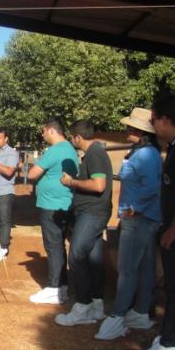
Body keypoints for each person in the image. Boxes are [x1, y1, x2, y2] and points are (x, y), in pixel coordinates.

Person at [129, 94, 175, 350]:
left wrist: (174, 228)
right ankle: (165, 342)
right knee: (172, 289)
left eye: (154, 120)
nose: (152, 126)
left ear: (165, 119)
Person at [96, 108, 162, 340]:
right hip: (141, 216)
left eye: (131, 128)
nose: (127, 130)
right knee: (143, 266)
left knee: (126, 268)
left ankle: (118, 314)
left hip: (138, 218)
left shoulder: (145, 155)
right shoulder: (143, 152)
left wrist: (134, 209)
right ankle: (141, 311)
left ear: (141, 132)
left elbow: (152, 188)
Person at [54, 120, 113, 326]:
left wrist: (71, 182)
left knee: (77, 255)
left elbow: (98, 185)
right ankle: (97, 304)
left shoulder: (95, 153)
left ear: (77, 137)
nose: (71, 140)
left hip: (92, 212)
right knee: (93, 259)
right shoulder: (94, 153)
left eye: (72, 137)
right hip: (93, 212)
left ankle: (83, 306)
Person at [27, 118, 78, 304]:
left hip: (51, 205)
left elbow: (33, 173)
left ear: (51, 131)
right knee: (59, 246)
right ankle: (62, 288)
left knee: (53, 247)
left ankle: (53, 288)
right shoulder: (70, 149)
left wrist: (32, 169)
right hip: (65, 203)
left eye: (43, 131)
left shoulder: (55, 150)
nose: (42, 135)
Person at [0, 128, 20, 262]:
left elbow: (9, 172)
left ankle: (3, 247)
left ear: (6, 139)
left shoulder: (12, 153)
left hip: (4, 191)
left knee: (4, 220)